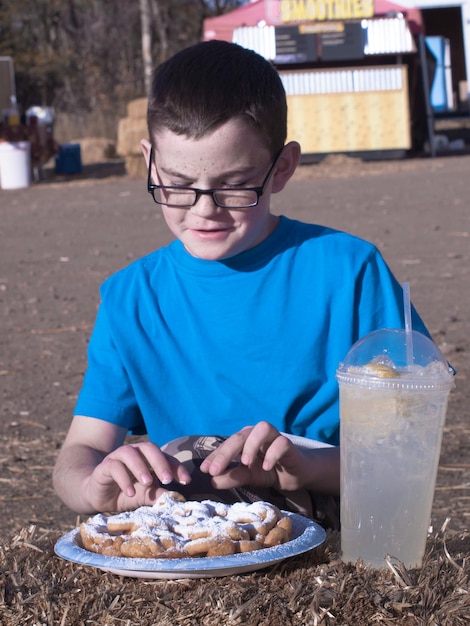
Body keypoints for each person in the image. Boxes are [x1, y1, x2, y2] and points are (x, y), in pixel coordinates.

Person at [52, 40, 429, 528]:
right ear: (149, 162)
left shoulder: (349, 271)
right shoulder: (130, 298)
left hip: (324, 518)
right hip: (183, 527)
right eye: (178, 184)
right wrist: (93, 485)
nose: (203, 209)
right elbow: (79, 450)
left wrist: (302, 466)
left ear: (283, 168)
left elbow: (408, 457)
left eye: (234, 185)